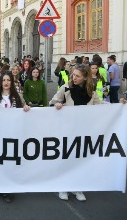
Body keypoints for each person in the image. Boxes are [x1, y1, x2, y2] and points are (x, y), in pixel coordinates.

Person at [49, 64, 102, 202]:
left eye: (78, 76)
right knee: (66, 158)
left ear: (85, 77)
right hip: (67, 130)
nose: (74, 78)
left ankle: (77, 187)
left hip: (83, 131)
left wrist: (119, 105)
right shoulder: (66, 88)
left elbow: (101, 106)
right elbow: (52, 102)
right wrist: (57, 105)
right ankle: (63, 187)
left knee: (79, 159)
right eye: (73, 75)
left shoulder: (91, 92)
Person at [0, 71, 30, 203]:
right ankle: (0, 186)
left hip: (13, 134)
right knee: (0, 161)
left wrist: (26, 107)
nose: (6, 82)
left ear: (12, 82)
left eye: (8, 80)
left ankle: (9, 189)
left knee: (10, 162)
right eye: (3, 80)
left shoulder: (18, 96)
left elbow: (24, 108)